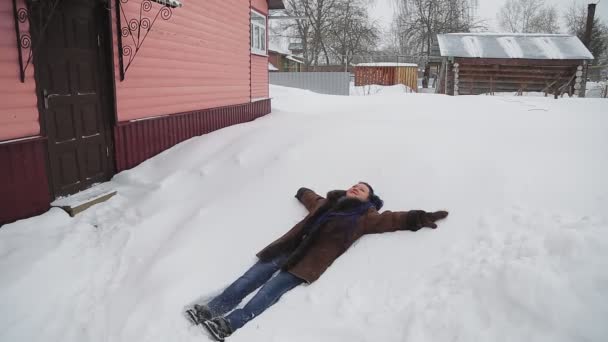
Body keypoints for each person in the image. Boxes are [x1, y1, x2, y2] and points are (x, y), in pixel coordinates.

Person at [186, 182, 449, 341]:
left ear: (369, 199)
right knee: (248, 279)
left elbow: (393, 219)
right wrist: (302, 191)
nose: (356, 188)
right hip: (285, 249)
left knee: (267, 293)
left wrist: (418, 217)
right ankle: (212, 310)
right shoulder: (327, 203)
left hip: (305, 263)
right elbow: (310, 197)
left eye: (363, 189)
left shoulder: (365, 217)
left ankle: (229, 324)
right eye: (354, 185)